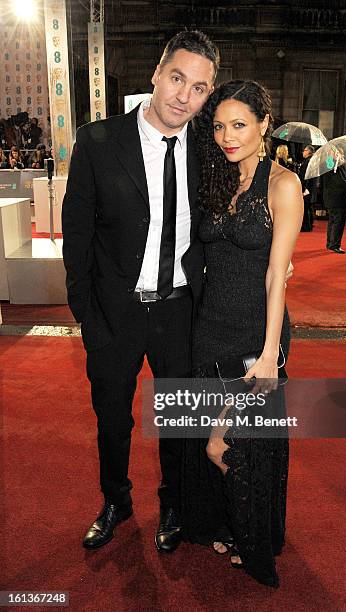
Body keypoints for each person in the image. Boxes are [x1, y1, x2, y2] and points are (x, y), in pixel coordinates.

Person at [62, 30, 219, 552]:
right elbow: (78, 233)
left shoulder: (209, 150)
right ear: (156, 74)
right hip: (115, 312)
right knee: (112, 417)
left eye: (199, 89)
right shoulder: (98, 141)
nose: (184, 96)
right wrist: (86, 312)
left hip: (180, 312)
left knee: (178, 420)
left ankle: (174, 503)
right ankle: (115, 500)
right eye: (178, 78)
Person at [181, 80, 303, 587]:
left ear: (262, 125)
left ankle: (255, 537)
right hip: (210, 328)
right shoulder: (215, 177)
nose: (228, 136)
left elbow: (278, 274)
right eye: (219, 126)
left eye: (238, 124)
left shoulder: (283, 185)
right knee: (227, 445)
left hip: (256, 332)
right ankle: (239, 525)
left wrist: (271, 351)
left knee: (225, 446)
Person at [322, 149, 346, 254]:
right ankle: (334, 245)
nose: (343, 155)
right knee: (338, 222)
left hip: (331, 198)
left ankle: (330, 243)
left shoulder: (329, 163)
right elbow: (338, 181)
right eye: (341, 153)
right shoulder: (333, 164)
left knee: (332, 221)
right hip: (337, 198)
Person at [298, 144, 316, 231]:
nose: (303, 152)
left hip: (306, 188)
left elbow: (305, 177)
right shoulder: (311, 161)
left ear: (309, 152)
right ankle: (309, 224)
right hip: (309, 188)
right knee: (308, 207)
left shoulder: (307, 162)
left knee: (305, 207)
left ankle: (306, 226)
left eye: (304, 150)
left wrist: (303, 189)